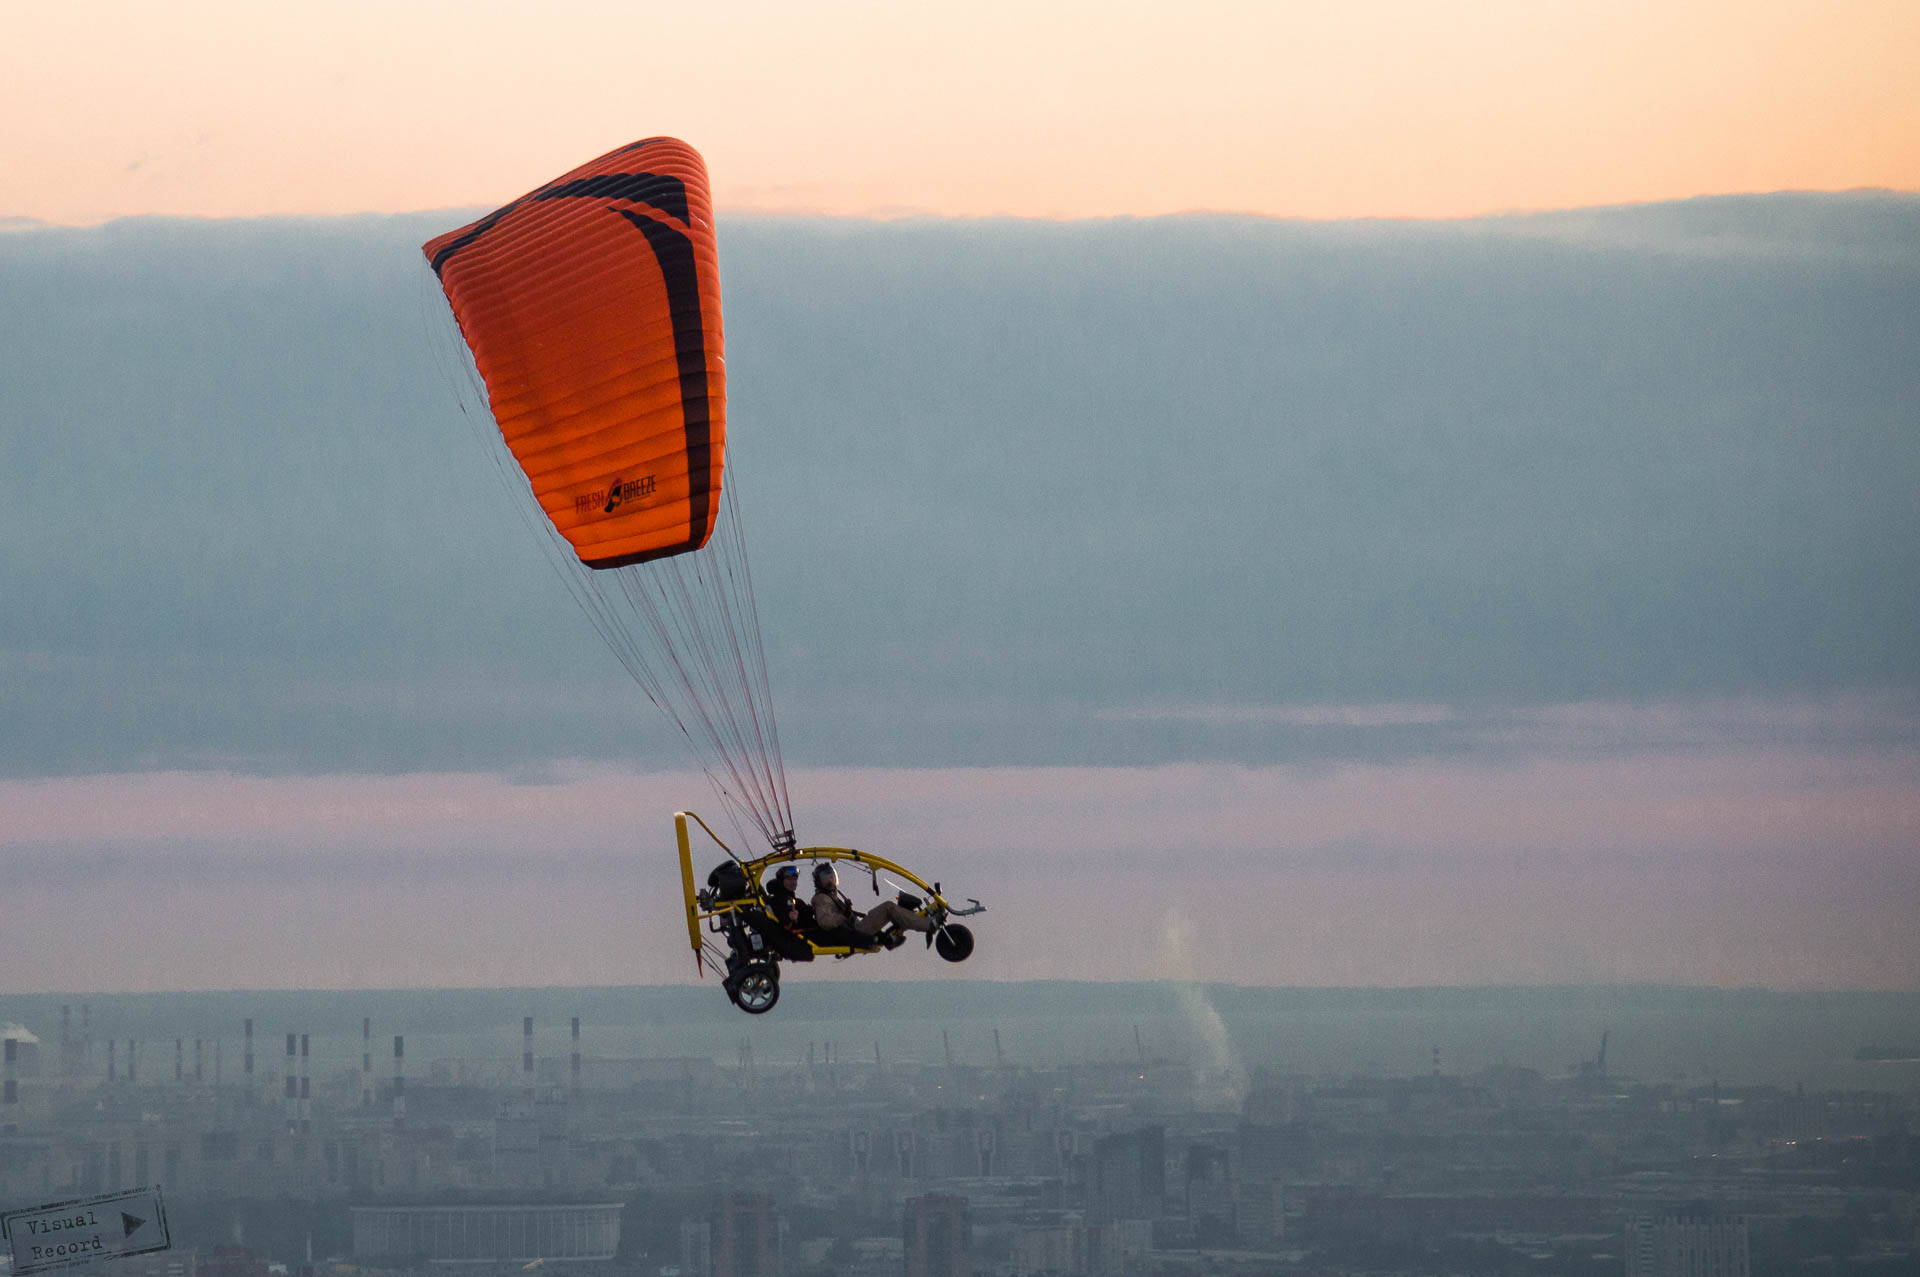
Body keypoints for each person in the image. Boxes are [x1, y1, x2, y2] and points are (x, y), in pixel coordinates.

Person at [811, 862, 932, 949]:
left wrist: (847, 912)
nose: (830, 882)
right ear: (819, 882)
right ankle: (928, 924)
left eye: (832, 877)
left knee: (892, 908)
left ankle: (906, 925)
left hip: (856, 928)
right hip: (855, 933)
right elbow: (824, 922)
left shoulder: (832, 896)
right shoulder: (821, 898)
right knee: (888, 907)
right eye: (826, 879)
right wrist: (845, 915)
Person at [764, 864, 813, 934]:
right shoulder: (778, 901)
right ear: (781, 881)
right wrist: (789, 917)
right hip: (799, 941)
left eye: (794, 879)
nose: (793, 882)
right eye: (789, 879)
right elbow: (781, 920)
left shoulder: (797, 901)